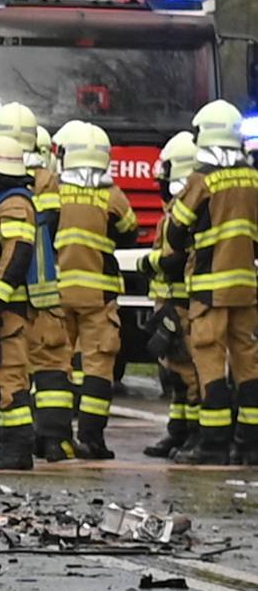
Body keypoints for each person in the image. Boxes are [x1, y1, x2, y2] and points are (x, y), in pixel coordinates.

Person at [165, 101, 258, 466]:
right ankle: (249, 445)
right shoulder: (253, 178)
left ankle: (213, 444)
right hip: (247, 288)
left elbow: (175, 232)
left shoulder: (201, 180)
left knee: (209, 363)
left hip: (209, 288)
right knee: (249, 365)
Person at [45, 122, 141, 459]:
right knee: (98, 365)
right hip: (99, 296)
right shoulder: (112, 195)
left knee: (56, 361)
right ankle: (92, 439)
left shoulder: (54, 189)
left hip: (57, 292)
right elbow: (130, 233)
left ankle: (53, 437)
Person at [0, 136, 42, 471]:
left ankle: (16, 451)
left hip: (8, 308)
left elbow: (17, 253)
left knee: (11, 376)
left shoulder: (14, 203)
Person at [146, 132, 205, 458]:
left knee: (190, 372)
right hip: (169, 304)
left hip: (183, 302)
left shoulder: (188, 211)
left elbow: (175, 258)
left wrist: (147, 262)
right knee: (175, 372)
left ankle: (195, 435)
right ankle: (178, 432)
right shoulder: (175, 209)